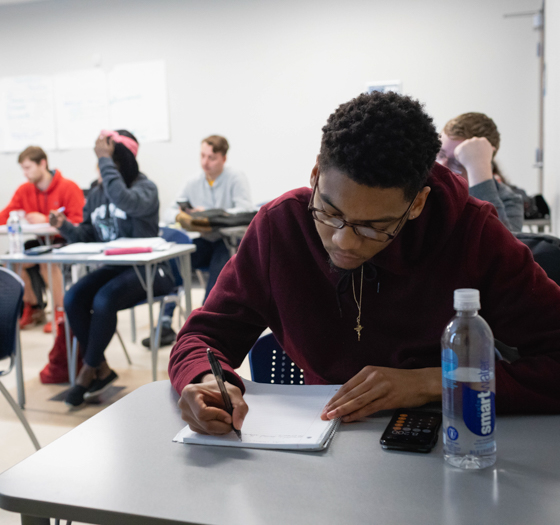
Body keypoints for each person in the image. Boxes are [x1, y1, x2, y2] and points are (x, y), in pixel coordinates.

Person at [169, 92, 560, 437]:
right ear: (316, 173)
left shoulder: (475, 235)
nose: (344, 241)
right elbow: (201, 337)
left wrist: (433, 383)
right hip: (321, 441)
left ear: (417, 204)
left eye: (375, 227)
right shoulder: (280, 227)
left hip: (450, 441)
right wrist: (205, 381)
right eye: (329, 212)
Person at [49, 130, 175, 407]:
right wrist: (65, 227)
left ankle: (87, 372)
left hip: (150, 269)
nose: (105, 170)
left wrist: (105, 159)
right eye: (103, 164)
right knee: (73, 298)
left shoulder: (145, 188)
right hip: (115, 267)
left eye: (110, 164)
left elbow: (124, 200)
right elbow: (89, 234)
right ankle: (101, 369)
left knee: (104, 299)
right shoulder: (96, 193)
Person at [143, 135, 253, 348]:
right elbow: (169, 212)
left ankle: (206, 327)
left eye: (211, 157)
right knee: (175, 263)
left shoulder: (236, 178)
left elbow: (246, 211)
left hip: (227, 241)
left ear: (223, 158)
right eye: (203, 156)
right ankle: (165, 323)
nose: (205, 162)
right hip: (203, 241)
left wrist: (212, 214)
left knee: (219, 270)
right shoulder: (193, 181)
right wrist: (182, 216)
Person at [0, 146, 84, 331]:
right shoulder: (24, 190)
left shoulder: (68, 187)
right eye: (23, 168)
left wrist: (45, 219)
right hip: (41, 241)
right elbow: (5, 215)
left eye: (28, 167)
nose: (25, 173)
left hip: (66, 240)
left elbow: (79, 222)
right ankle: (35, 307)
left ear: (42, 163)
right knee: (11, 261)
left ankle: (61, 310)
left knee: (47, 261)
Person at [437, 112, 523, 232]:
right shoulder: (427, 187)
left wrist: (478, 171)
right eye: (440, 154)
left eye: (457, 162)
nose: (442, 166)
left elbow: (501, 246)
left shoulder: (509, 200)